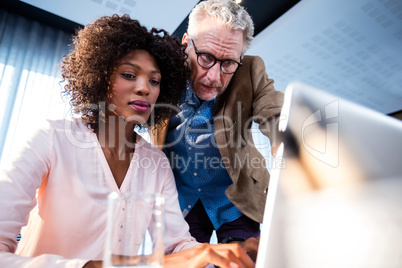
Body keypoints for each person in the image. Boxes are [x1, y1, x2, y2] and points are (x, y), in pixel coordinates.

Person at [0, 15, 256, 268]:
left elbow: (178, 245)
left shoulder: (156, 164)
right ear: (101, 76)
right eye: (129, 75)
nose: (144, 88)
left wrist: (230, 255)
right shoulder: (50, 139)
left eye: (154, 81)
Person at [150, 0, 284, 243]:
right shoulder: (161, 72)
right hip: (182, 200)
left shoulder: (251, 70)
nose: (214, 77)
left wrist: (292, 151)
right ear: (185, 44)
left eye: (228, 63)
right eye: (206, 57)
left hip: (237, 198)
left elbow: (275, 114)